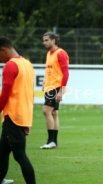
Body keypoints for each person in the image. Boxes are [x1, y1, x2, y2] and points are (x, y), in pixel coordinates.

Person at [0, 36, 36, 184]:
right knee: (2, 153)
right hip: (22, 115)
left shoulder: (10, 65)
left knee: (19, 155)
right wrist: (28, 121)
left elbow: (5, 93)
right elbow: (30, 94)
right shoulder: (27, 64)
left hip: (12, 116)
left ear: (4, 50)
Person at [40, 32, 69, 149]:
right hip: (50, 86)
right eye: (44, 40)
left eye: (46, 40)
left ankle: (50, 141)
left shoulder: (60, 53)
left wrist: (61, 91)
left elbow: (66, 73)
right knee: (54, 113)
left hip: (55, 87)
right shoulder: (49, 54)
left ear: (53, 40)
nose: (44, 43)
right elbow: (50, 70)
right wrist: (44, 81)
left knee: (46, 111)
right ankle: (54, 142)